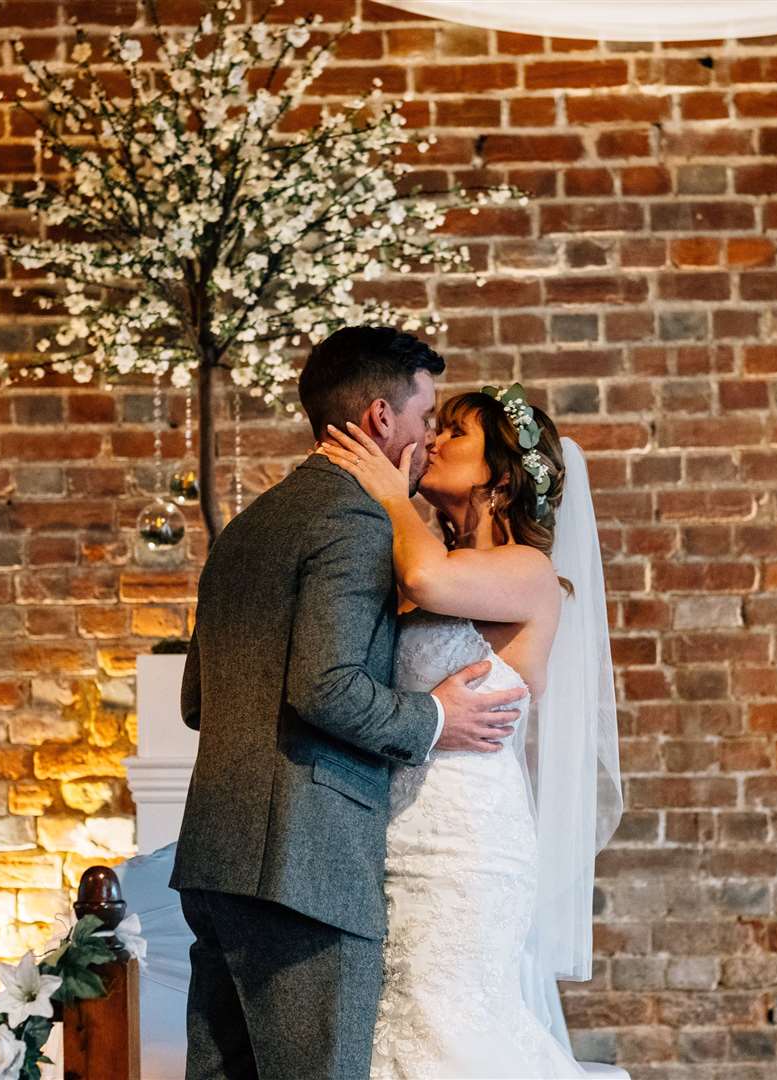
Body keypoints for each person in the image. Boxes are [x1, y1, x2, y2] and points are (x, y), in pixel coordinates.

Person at [170, 325, 530, 1080]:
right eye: (426, 416)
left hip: (214, 861)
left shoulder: (244, 527)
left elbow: (199, 700)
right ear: (379, 420)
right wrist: (434, 717)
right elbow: (325, 687)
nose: (430, 435)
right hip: (309, 868)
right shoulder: (357, 520)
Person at [318, 382, 623, 1078]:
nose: (432, 441)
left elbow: (428, 580)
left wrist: (386, 489)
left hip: (469, 844)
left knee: (448, 1020)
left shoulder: (529, 572)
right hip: (392, 828)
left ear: (499, 475)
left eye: (455, 433)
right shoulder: (419, 558)